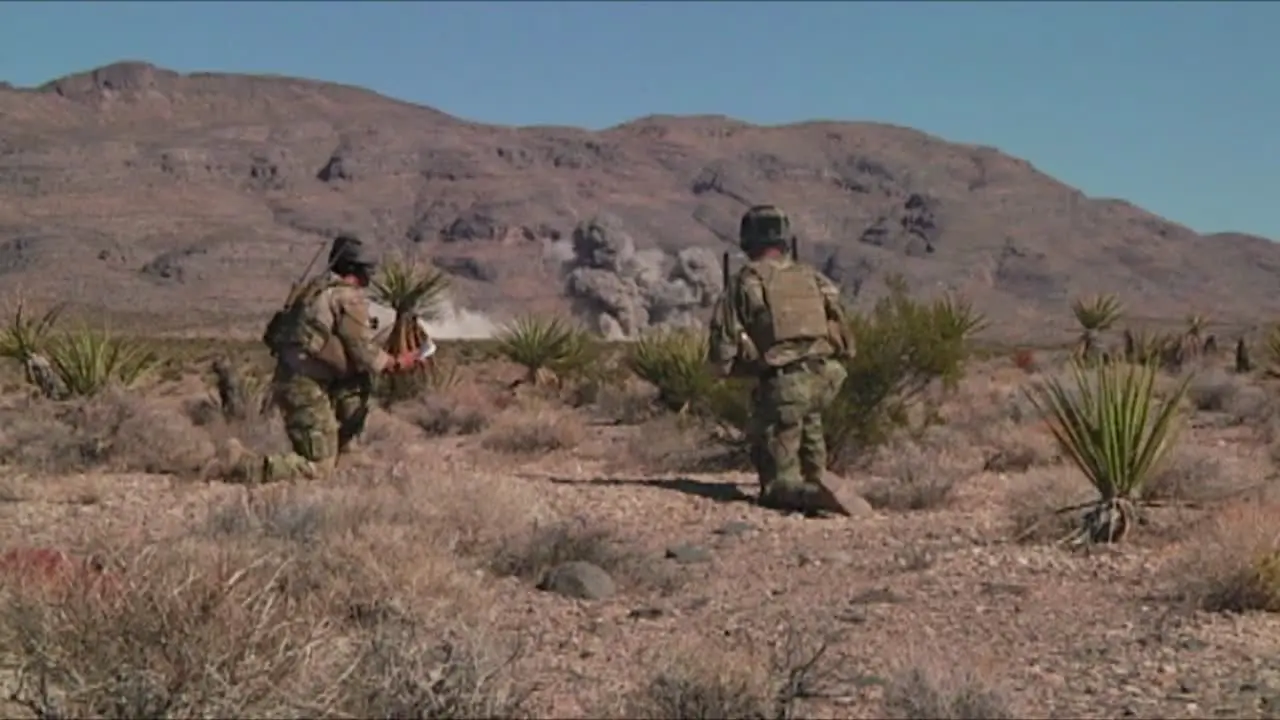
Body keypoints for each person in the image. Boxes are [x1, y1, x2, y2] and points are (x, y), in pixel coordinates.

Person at [224, 234, 421, 484]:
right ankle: (243, 465)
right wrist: (396, 362)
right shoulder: (346, 297)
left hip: (295, 381)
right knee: (317, 467)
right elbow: (360, 348)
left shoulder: (315, 292)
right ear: (355, 270)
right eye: (365, 270)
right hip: (304, 386)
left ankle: (345, 451)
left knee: (356, 384)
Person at [707, 205, 856, 516]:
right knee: (808, 419)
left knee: (776, 486)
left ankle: (813, 496)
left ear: (748, 241)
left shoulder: (745, 281)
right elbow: (844, 335)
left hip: (786, 386)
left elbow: (723, 343)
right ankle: (820, 482)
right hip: (827, 378)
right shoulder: (814, 277)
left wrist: (722, 373)